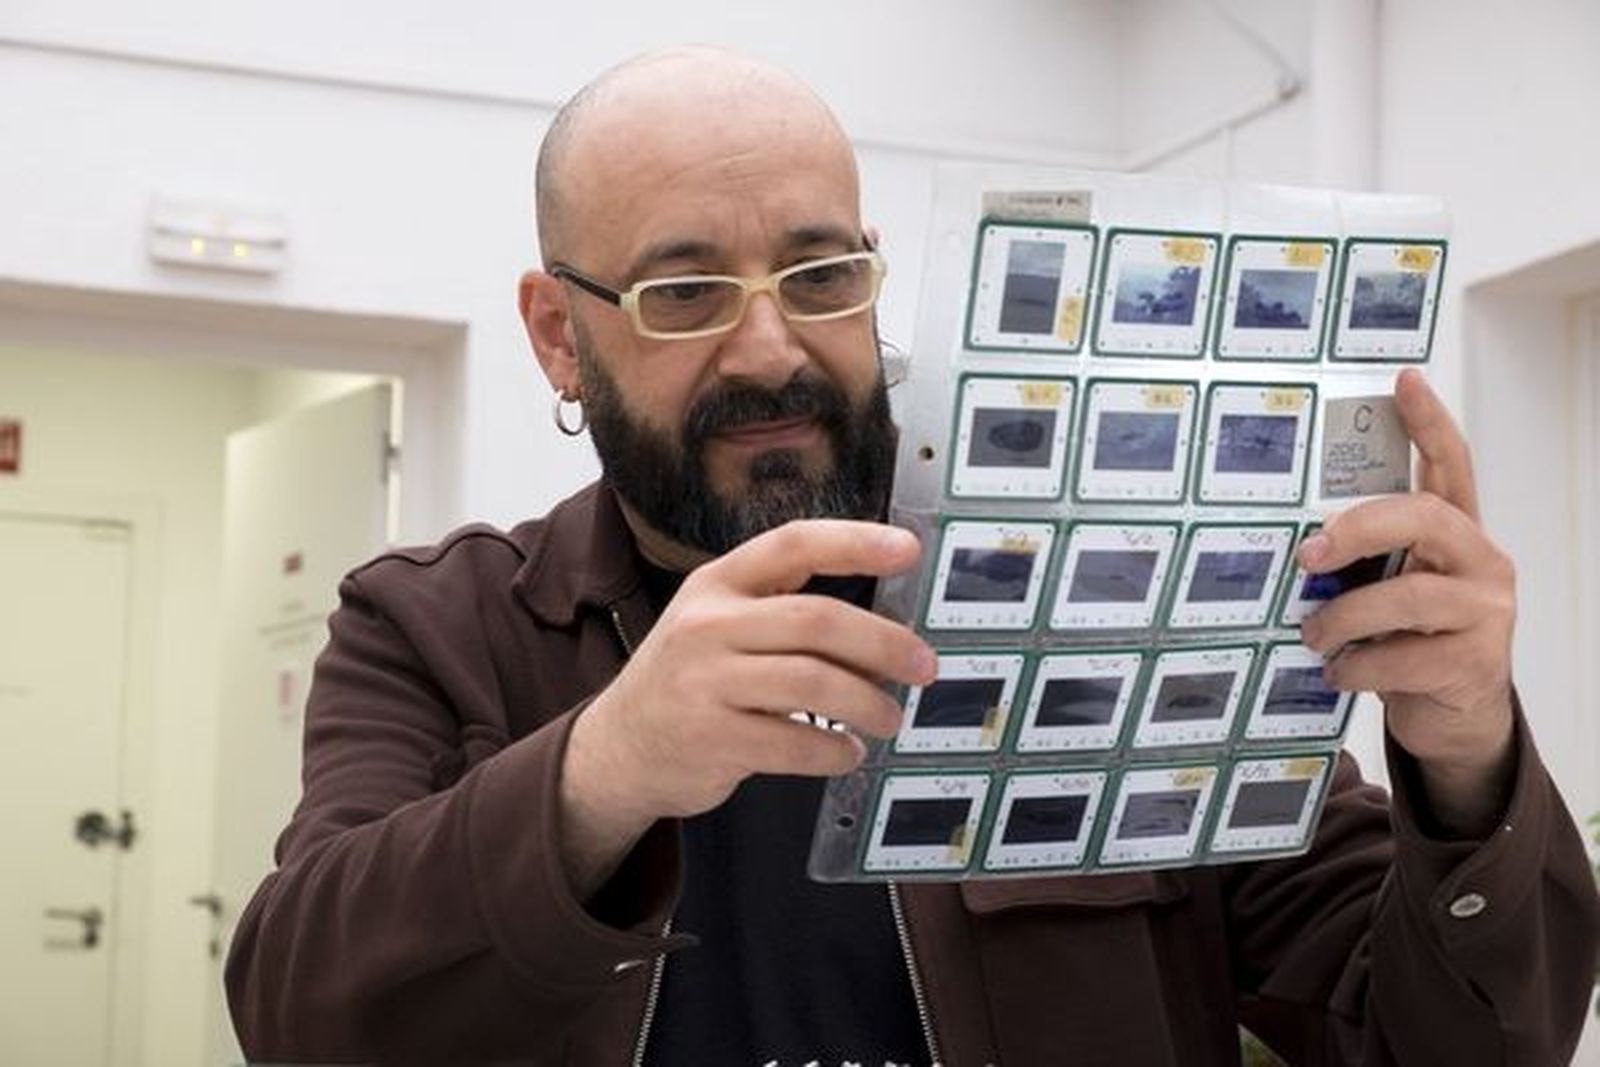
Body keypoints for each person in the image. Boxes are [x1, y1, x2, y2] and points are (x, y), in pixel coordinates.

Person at [225, 46, 1600, 1066]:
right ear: (556, 332)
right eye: (685, 291)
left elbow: (1457, 1042)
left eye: (820, 277)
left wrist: (1465, 752)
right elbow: (304, 1013)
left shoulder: (1090, 595)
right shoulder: (434, 625)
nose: (769, 350)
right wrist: (607, 771)